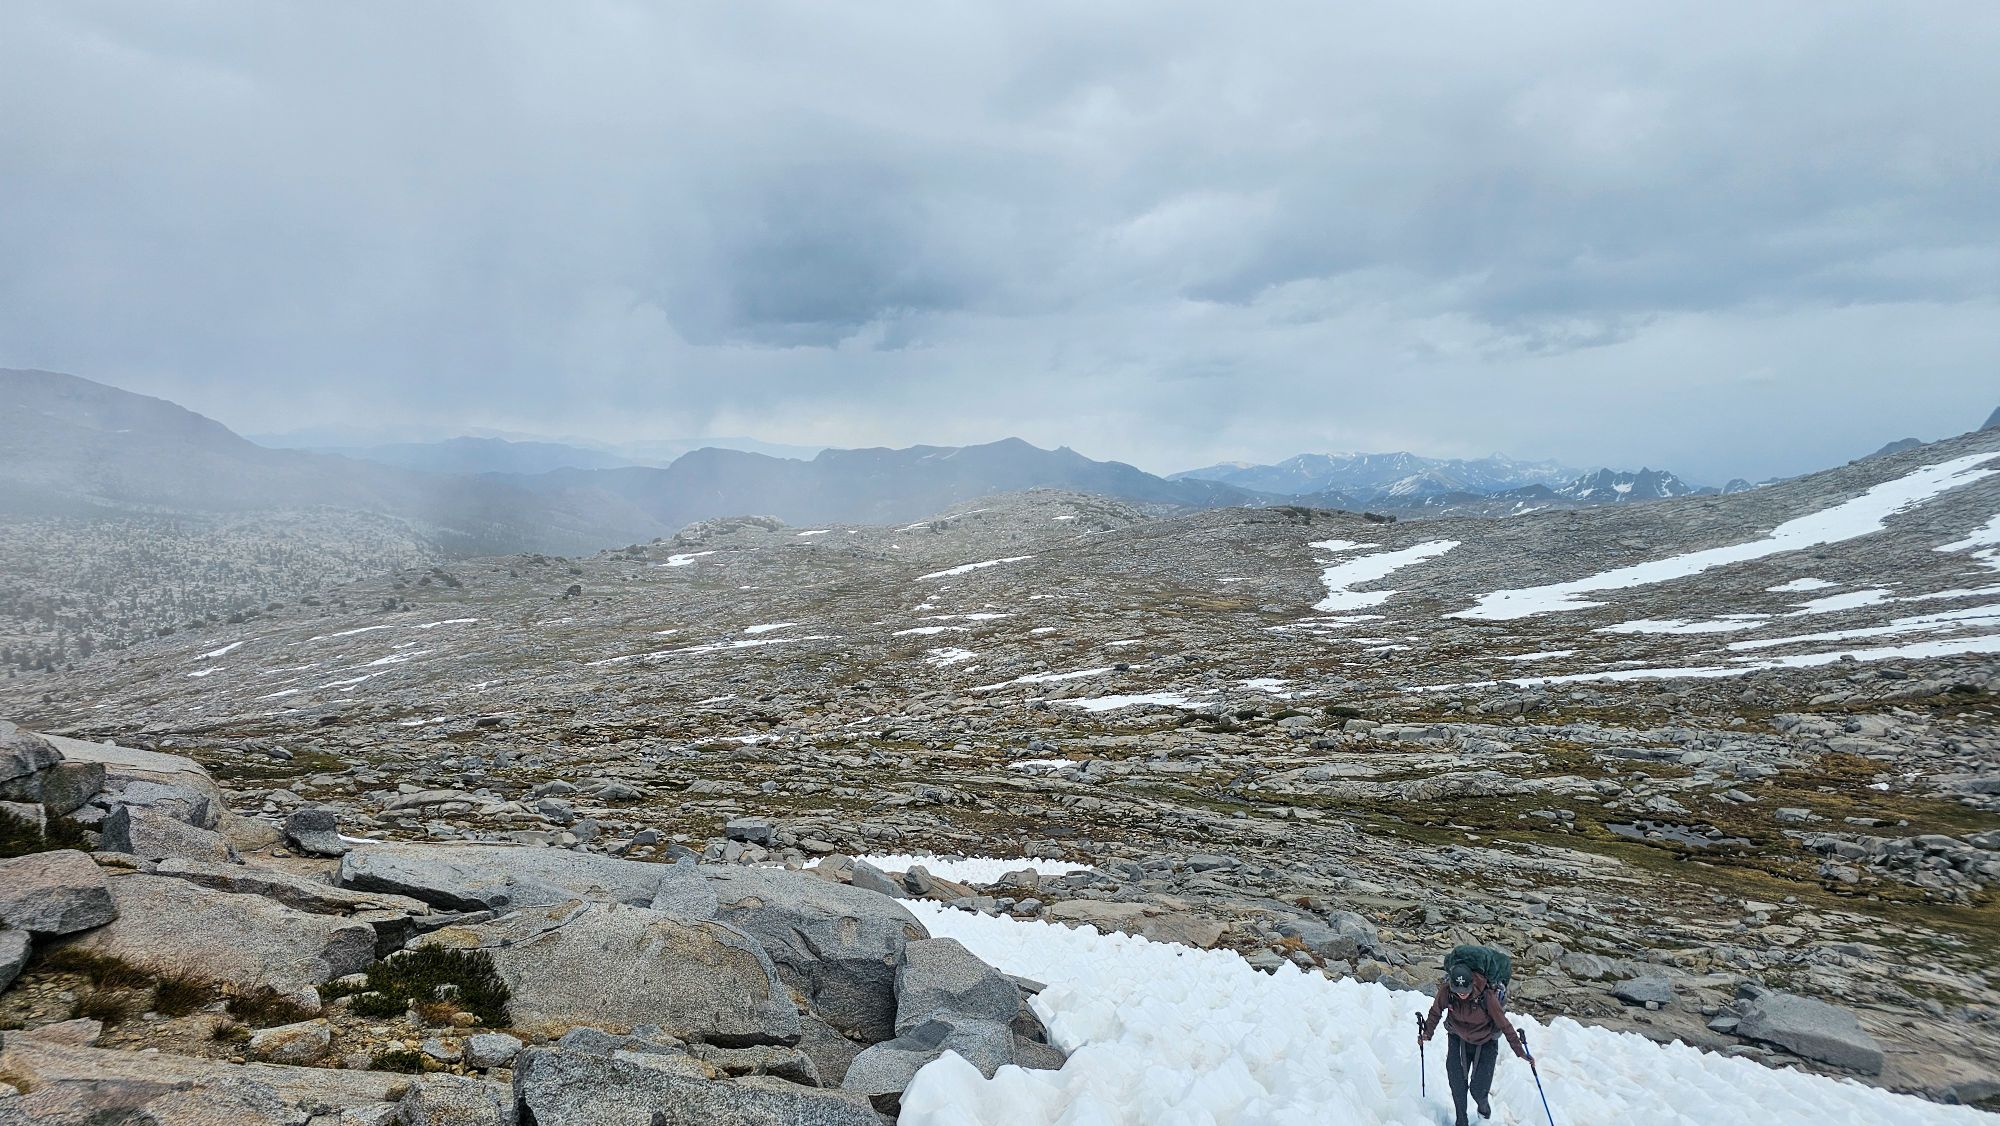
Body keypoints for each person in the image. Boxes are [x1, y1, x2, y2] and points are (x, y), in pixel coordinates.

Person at [1419, 959, 1529, 1126]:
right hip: (1457, 1038)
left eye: (1465, 990)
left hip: (1486, 1042)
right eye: (1458, 991)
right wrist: (1427, 1033)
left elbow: (1504, 1024)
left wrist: (1520, 1051)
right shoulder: (1447, 991)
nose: (1462, 994)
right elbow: (1436, 1012)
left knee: (1478, 1090)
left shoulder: (1487, 996)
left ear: (1472, 984)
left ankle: (1483, 1108)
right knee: (1457, 1084)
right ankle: (1461, 1121)